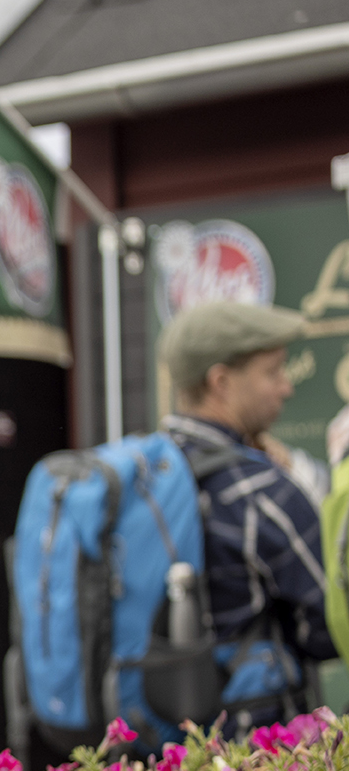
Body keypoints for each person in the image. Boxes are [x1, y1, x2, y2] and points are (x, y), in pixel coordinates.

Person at [159, 301, 338, 727]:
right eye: (273, 372)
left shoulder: (150, 476)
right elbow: (332, 627)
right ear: (220, 382)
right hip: (256, 763)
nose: (286, 388)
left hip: (161, 754)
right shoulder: (260, 490)